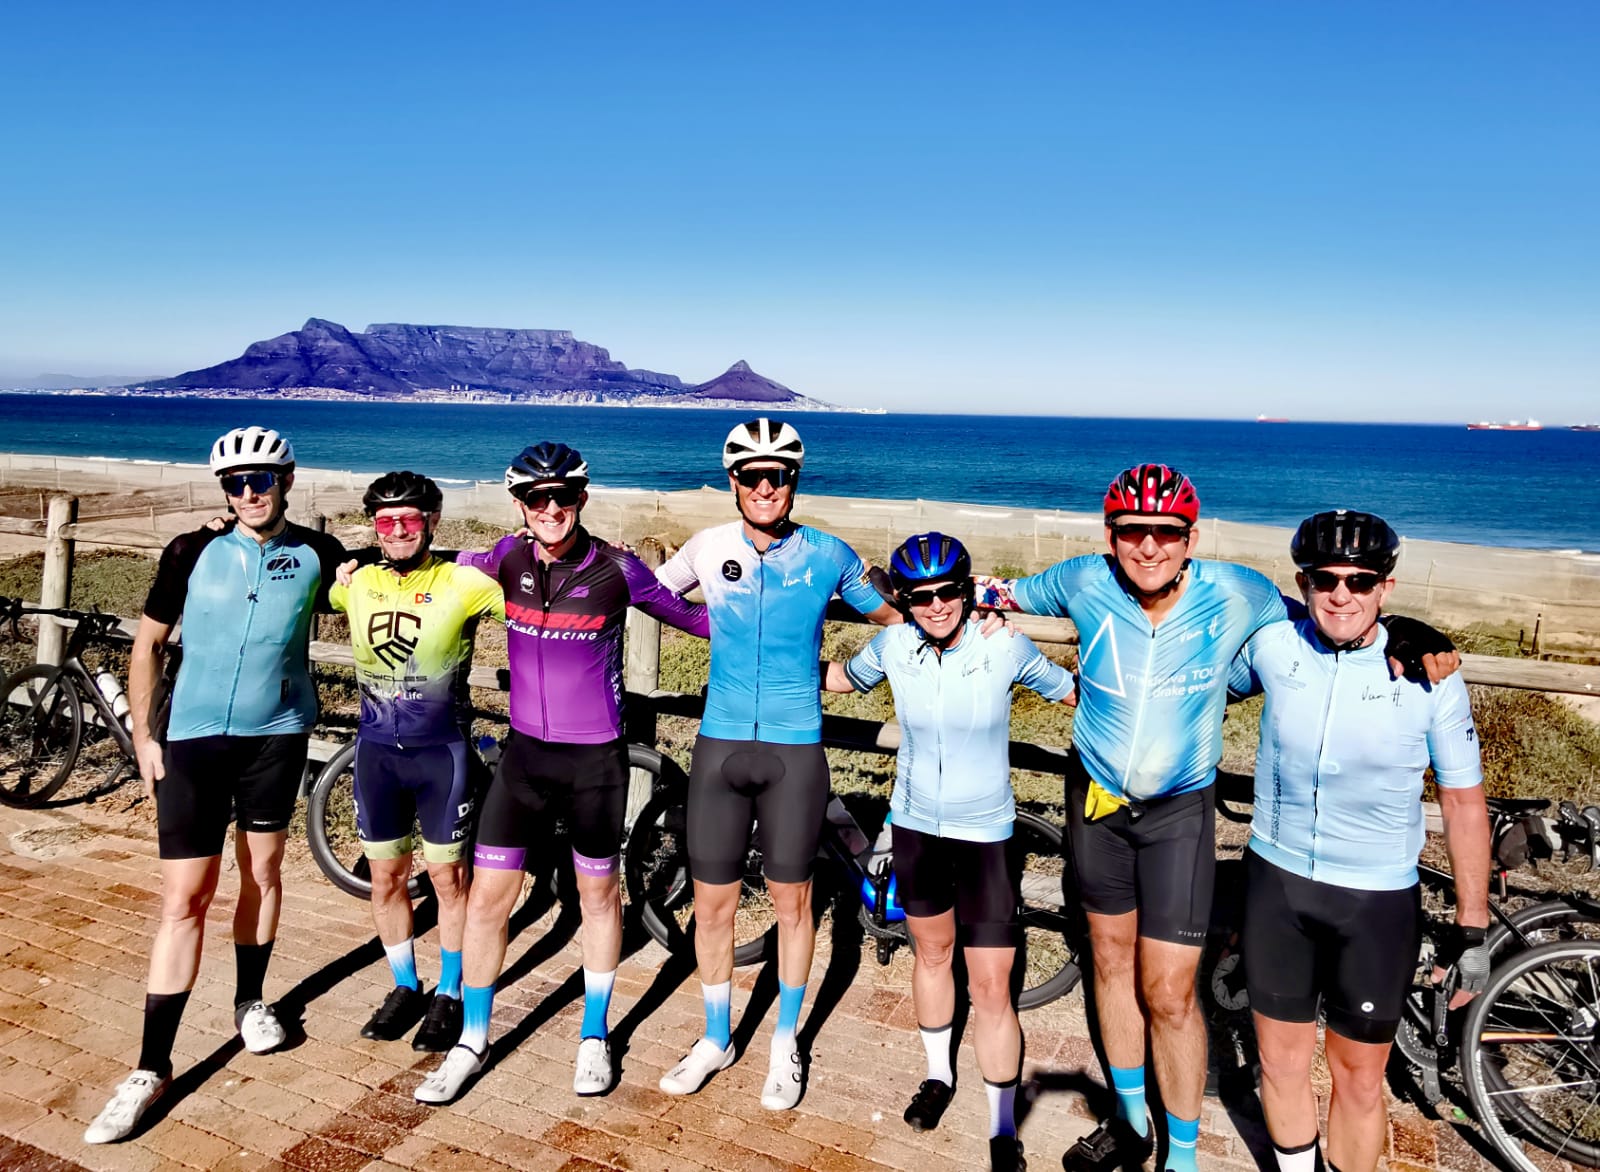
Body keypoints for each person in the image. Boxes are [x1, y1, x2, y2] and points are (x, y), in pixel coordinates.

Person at [974, 464, 1458, 1172]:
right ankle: (1133, 1122)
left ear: (1190, 536)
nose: (1147, 547)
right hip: (1097, 801)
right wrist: (926, 591)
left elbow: (1328, 617)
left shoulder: (1238, 593)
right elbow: (992, 591)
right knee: (1109, 962)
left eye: (1164, 533)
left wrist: (1408, 632)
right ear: (1110, 536)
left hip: (1177, 813)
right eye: (1131, 532)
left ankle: (1185, 1157)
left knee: (1169, 991)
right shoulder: (1080, 580)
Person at [413, 442, 709, 1104]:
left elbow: (693, 617)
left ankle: (595, 1035)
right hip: (524, 759)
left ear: (582, 498)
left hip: (594, 761)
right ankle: (471, 1040)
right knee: (489, 899)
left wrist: (779, 625)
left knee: (599, 899)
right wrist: (354, 569)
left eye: (564, 496)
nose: (551, 509)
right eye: (537, 498)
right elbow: (425, 568)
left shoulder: (617, 569)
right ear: (519, 504)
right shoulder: (504, 558)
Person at [84, 427, 347, 1144]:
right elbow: (147, 643)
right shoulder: (190, 550)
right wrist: (143, 735)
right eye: (235, 483)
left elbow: (388, 581)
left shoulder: (319, 555)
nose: (249, 492)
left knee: (261, 873)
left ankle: (251, 1001)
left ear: (287, 481)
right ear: (222, 492)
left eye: (262, 479)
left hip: (277, 735)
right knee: (185, 898)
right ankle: (150, 1066)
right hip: (194, 740)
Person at [1227, 510, 1488, 1172]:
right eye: (1325, 580)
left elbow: (1461, 801)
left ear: (1386, 588)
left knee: (1359, 1081)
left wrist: (1474, 924)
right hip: (1277, 885)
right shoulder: (1274, 646)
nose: (1341, 594)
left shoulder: (1429, 673)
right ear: (1304, 583)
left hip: (1374, 904)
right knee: (1280, 1065)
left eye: (1361, 580)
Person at [650, 417, 899, 1111]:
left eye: (778, 475)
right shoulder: (708, 546)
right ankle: (714, 1037)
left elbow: (897, 622)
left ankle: (786, 1042)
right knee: (713, 904)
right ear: (733, 482)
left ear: (793, 481)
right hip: (721, 745)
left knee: (795, 904)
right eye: (752, 476)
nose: (766, 487)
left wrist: (850, 675)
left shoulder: (828, 554)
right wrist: (706, 624)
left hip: (795, 749)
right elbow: (647, 591)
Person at [822, 532, 1075, 1172]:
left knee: (991, 987)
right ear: (904, 600)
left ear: (967, 590)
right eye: (921, 597)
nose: (937, 606)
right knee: (931, 956)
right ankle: (938, 1078)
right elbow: (840, 681)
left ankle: (1001, 1126)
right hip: (915, 828)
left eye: (949, 592)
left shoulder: (1004, 645)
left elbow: (1073, 692)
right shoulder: (893, 645)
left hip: (986, 835)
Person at [327, 472, 505, 1051]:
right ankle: (405, 985)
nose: (398, 530)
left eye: (410, 519)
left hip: (441, 754)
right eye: (386, 521)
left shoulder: (464, 581)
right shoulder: (354, 584)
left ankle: (450, 993)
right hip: (376, 754)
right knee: (385, 879)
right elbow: (320, 575)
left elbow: (537, 580)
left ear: (431, 521)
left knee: (448, 879)